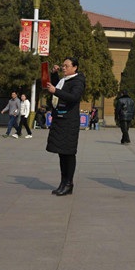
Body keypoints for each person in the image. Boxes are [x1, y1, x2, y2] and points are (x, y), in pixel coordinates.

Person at [46, 58, 86, 196]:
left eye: (66, 66)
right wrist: (54, 74)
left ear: (75, 67)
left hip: (69, 121)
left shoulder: (78, 81)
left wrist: (55, 91)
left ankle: (69, 184)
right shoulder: (64, 80)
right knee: (61, 153)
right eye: (63, 65)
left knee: (68, 153)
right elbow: (57, 87)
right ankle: (63, 182)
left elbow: (73, 97)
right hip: (59, 120)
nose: (64, 68)